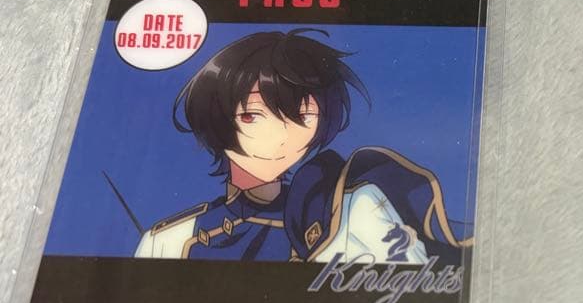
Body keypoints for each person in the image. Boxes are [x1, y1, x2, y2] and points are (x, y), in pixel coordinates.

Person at [134, 29, 468, 263]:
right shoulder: (169, 240)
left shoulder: (350, 209)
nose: (281, 137)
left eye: (302, 117)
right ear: (216, 119)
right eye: (252, 116)